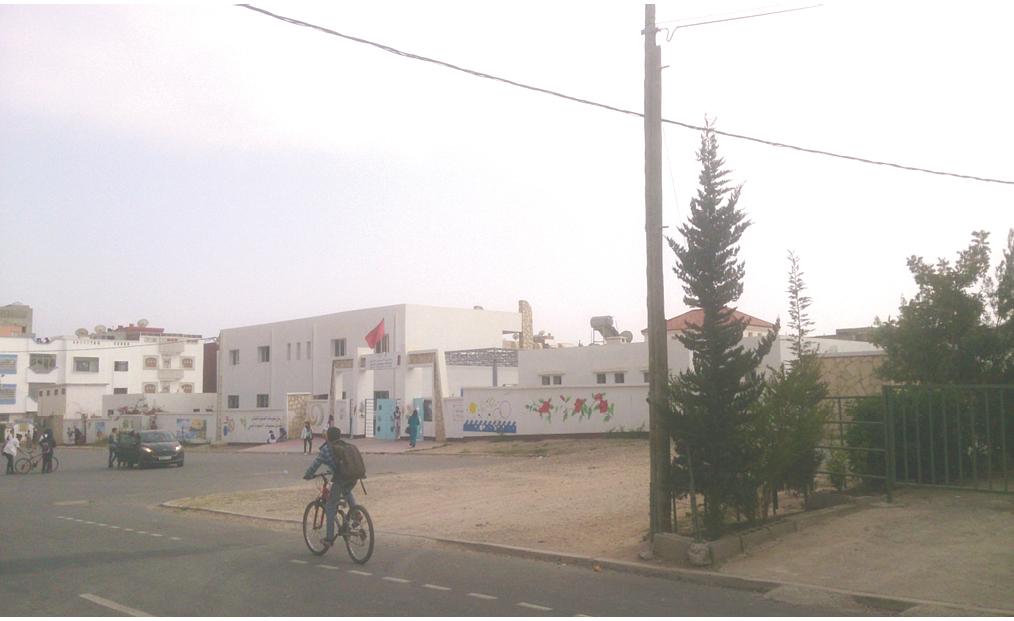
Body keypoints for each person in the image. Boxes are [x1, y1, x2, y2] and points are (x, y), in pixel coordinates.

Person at [303, 427, 358, 546]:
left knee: (330, 505)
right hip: (354, 477)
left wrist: (308, 475)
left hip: (341, 479)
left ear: (328, 437)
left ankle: (329, 538)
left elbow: (315, 465)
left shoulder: (327, 449)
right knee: (347, 491)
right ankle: (356, 514)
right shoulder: (345, 446)